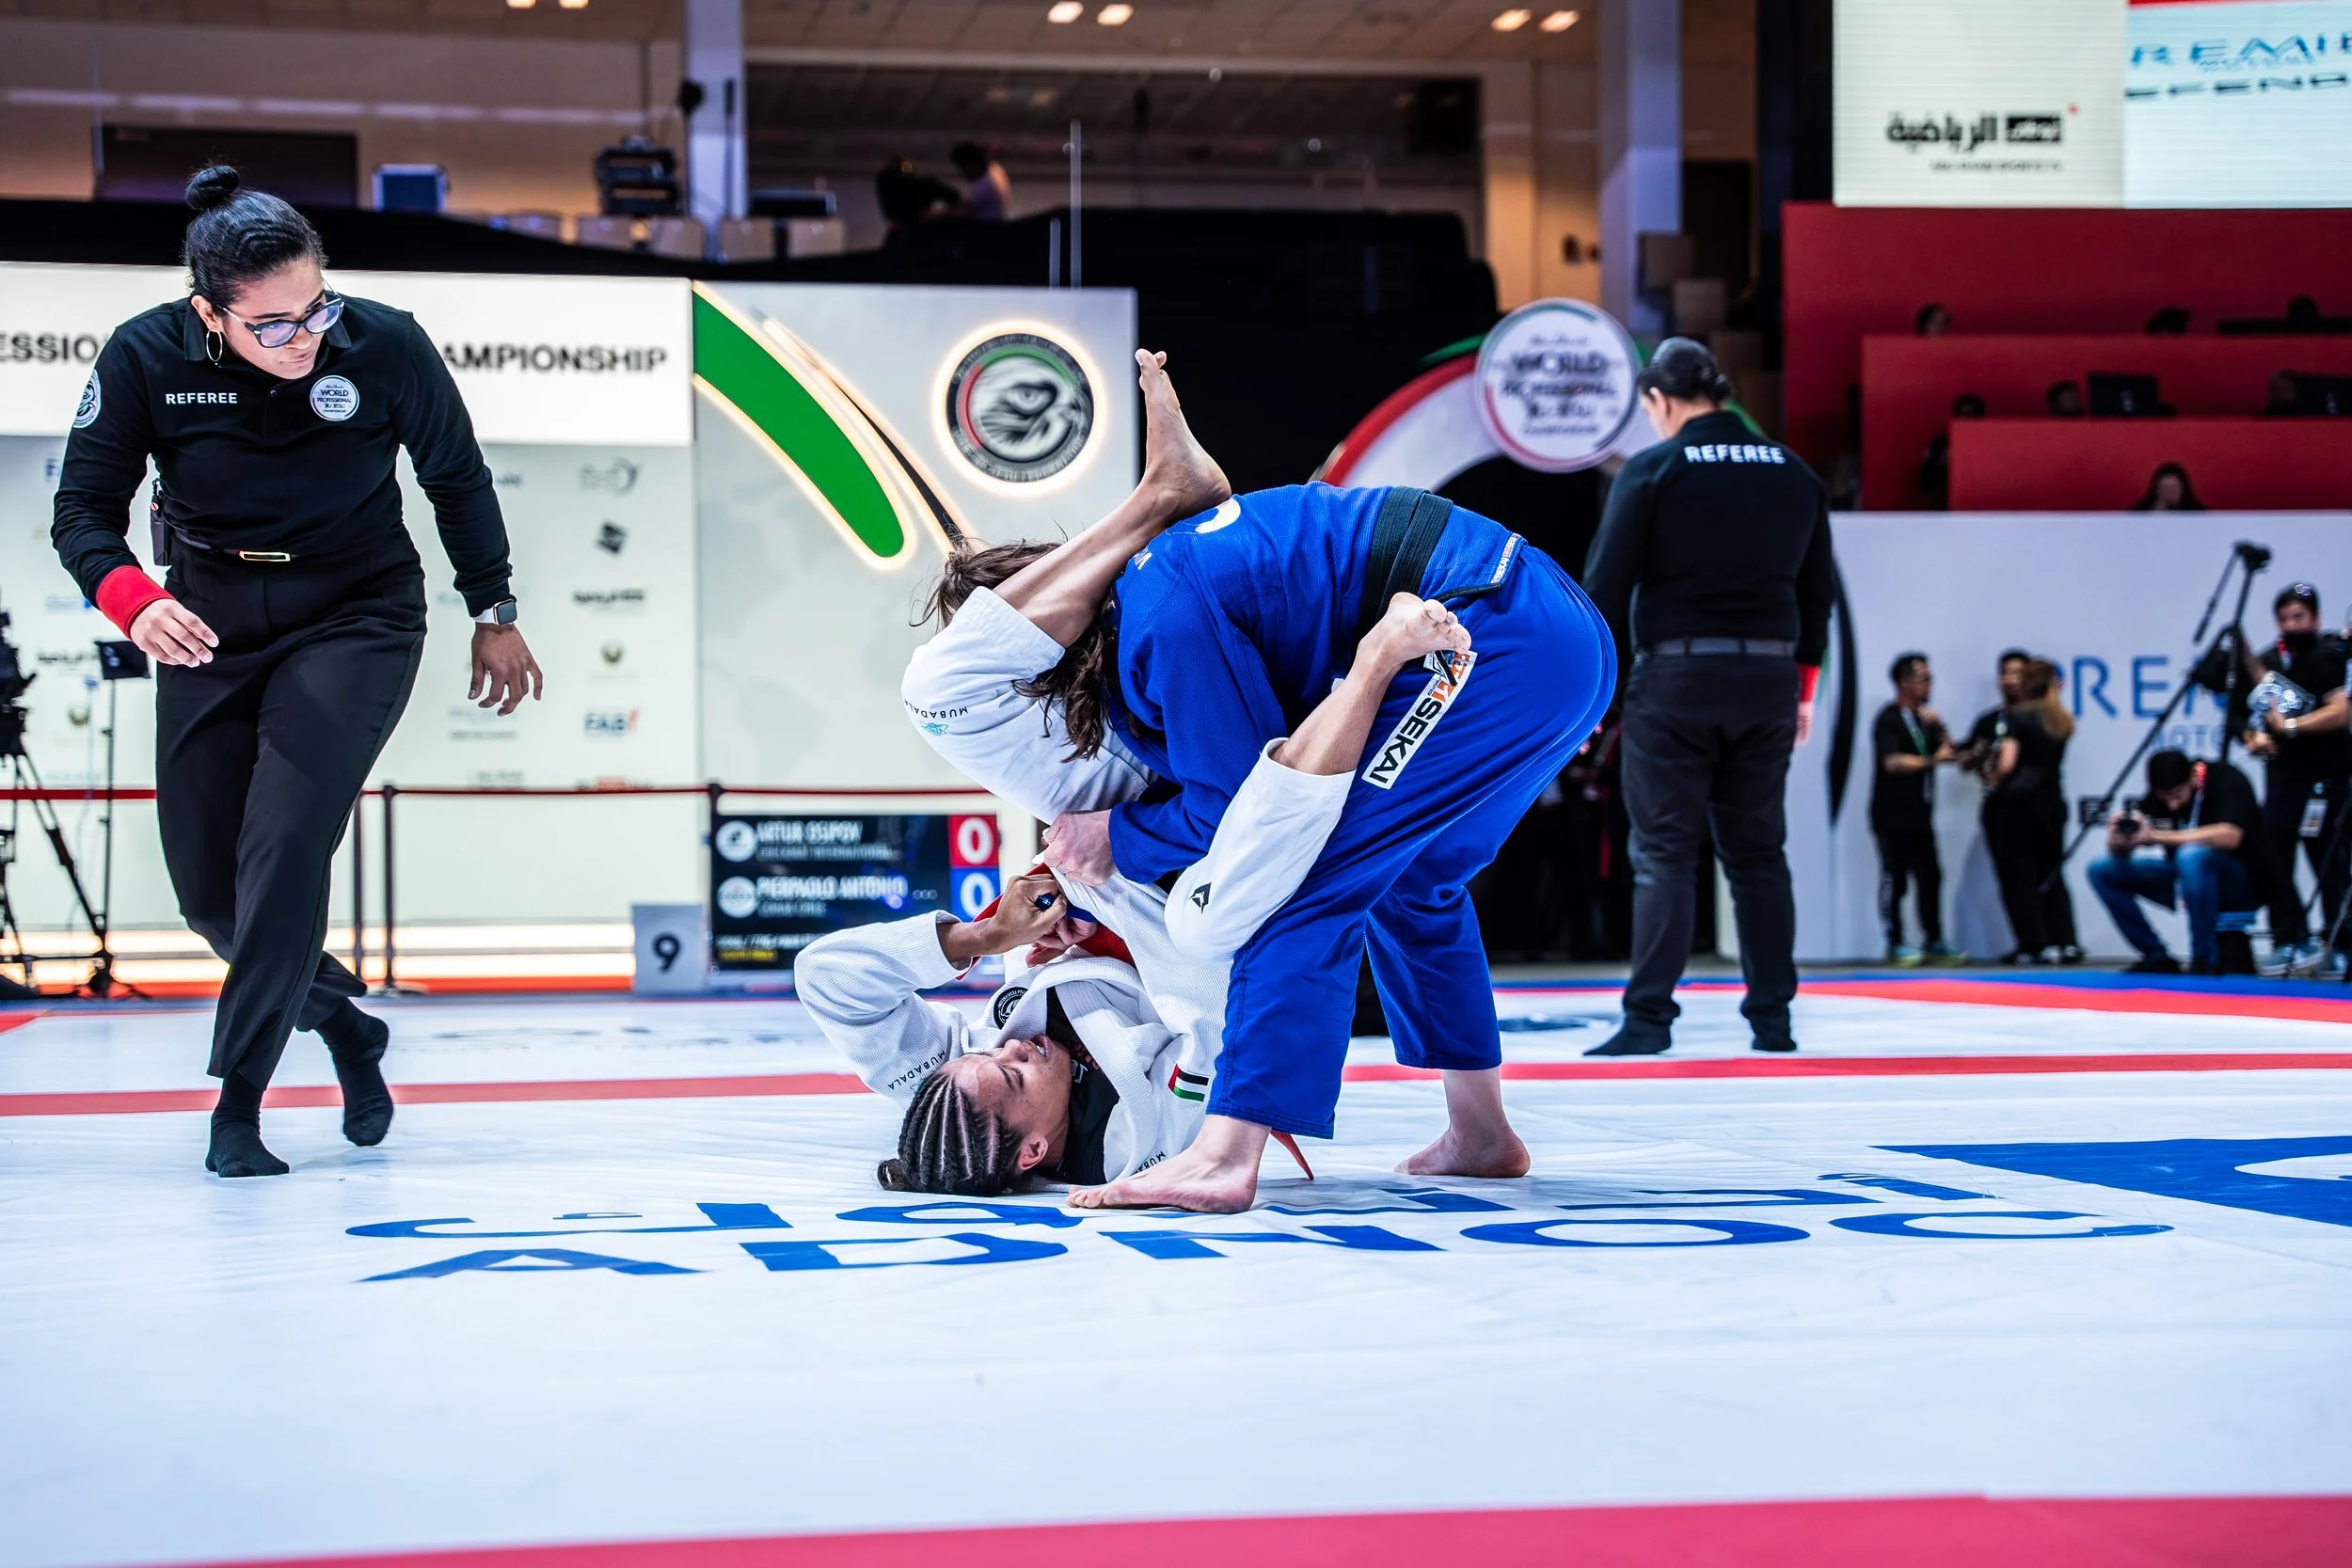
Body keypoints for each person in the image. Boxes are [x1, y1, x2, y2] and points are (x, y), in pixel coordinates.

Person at [49, 167, 542, 1179]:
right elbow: (83, 512)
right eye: (272, 324)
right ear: (209, 313)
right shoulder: (145, 353)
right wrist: (135, 602)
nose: (305, 335)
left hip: (356, 612)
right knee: (208, 895)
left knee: (282, 852)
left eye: (315, 305)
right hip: (205, 615)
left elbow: (455, 476)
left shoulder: (385, 340)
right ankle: (348, 1027)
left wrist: (491, 608)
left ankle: (238, 1103)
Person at [801, 559, 1473, 1196]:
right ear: (1033, 1150)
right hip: (1232, 922)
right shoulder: (1143, 1138)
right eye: (1014, 1072)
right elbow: (1216, 999)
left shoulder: (959, 1091)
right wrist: (1097, 880)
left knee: (947, 703)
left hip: (1131, 863)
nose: (1010, 1045)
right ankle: (1374, 666)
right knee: (1223, 895)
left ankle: (1137, 569)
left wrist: (989, 935)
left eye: (993, 1053)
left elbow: (830, 981)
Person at [1580, 337, 1835, 1056]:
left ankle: (1649, 1021)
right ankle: (1774, 1022)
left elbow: (1604, 587)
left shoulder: (1654, 469)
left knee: (1663, 851)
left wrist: (1591, 694)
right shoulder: (1796, 473)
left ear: (1660, 400)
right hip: (1769, 681)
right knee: (1759, 853)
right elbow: (1819, 596)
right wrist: (1804, 691)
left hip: (1677, 681)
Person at [2240, 582, 2351, 975]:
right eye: (2285, 617)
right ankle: (2290, 936)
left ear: (2315, 618)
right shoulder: (2270, 661)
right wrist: (2255, 738)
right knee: (2273, 856)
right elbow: (2251, 717)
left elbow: (2341, 712)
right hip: (2283, 778)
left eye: (2299, 617)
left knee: (2329, 863)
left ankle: (2341, 945)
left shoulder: (2327, 656)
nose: (2291, 624)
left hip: (2326, 776)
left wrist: (2290, 727)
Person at [2088, 750, 2268, 975]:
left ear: (2193, 777)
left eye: (2176, 795)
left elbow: (2230, 836)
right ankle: (2156, 956)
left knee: (2191, 855)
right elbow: (2129, 839)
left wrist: (2157, 838)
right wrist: (2120, 840)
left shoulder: (2226, 779)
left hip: (2240, 881)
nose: (2172, 805)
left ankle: (2203, 958)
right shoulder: (2160, 795)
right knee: (2102, 869)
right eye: (2165, 798)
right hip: (2186, 880)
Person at [1959, 654, 2082, 964]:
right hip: (2051, 804)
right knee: (2051, 874)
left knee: (2018, 877)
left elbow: (2006, 765)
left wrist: (1991, 773)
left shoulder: (2018, 719)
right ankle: (2065, 940)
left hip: (2016, 807)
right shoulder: (2061, 719)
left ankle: (2034, 943)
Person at [1870, 653, 1964, 965]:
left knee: (1931, 876)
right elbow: (1892, 762)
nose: (1928, 685)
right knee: (1895, 878)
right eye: (1923, 678)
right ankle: (1895, 941)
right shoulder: (1889, 718)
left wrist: (1940, 728)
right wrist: (1930, 762)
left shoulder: (1925, 721)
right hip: (1891, 813)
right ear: (1904, 682)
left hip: (1921, 814)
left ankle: (1934, 938)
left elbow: (1951, 753)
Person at [1916, 392, 1985, 509]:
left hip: (1987, 510)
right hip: (1948, 509)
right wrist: (1939, 463)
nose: (1965, 421)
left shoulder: (1991, 444)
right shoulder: (1940, 445)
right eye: (1961, 415)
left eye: (1970, 415)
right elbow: (1924, 485)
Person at [950, 141, 1012, 222]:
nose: (961, 173)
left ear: (971, 164)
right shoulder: (995, 172)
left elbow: (963, 212)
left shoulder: (985, 184)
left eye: (962, 168)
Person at [2132, 462, 2206, 513]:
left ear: (2183, 489)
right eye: (2166, 489)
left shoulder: (2198, 513)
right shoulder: (2141, 512)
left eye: (2173, 488)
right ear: (2157, 490)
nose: (2170, 493)